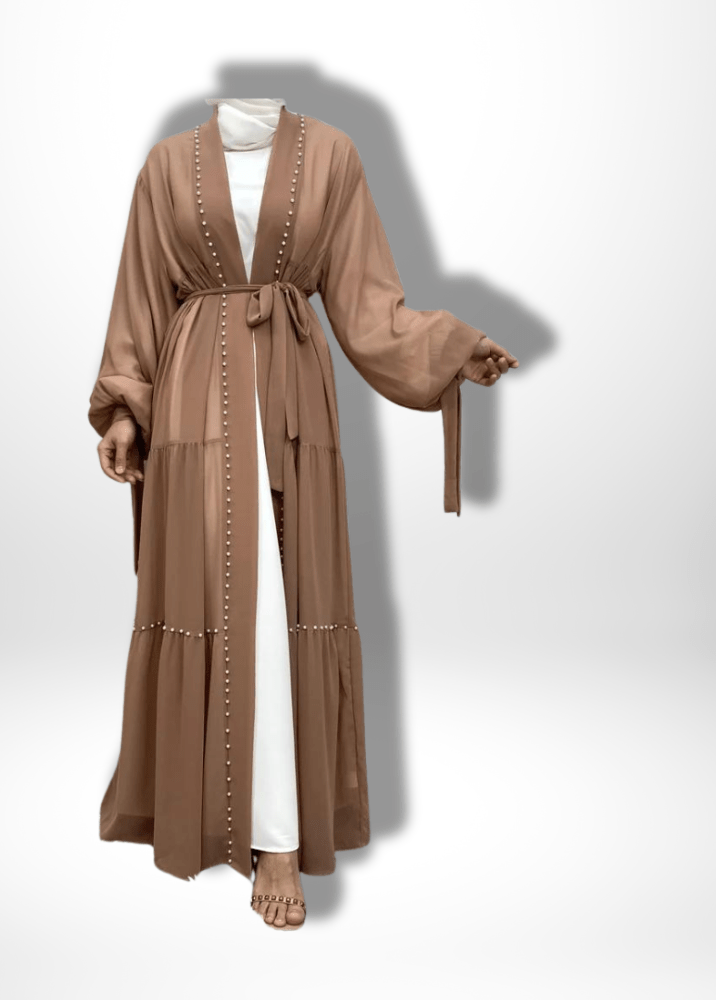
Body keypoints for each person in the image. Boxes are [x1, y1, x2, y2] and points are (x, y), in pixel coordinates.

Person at [90, 98, 518, 931]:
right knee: (214, 601)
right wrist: (124, 411)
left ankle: (278, 836)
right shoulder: (167, 164)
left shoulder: (333, 154)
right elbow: (139, 297)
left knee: (285, 603)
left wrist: (448, 348)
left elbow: (367, 301)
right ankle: (222, 820)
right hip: (192, 399)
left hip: (291, 393)